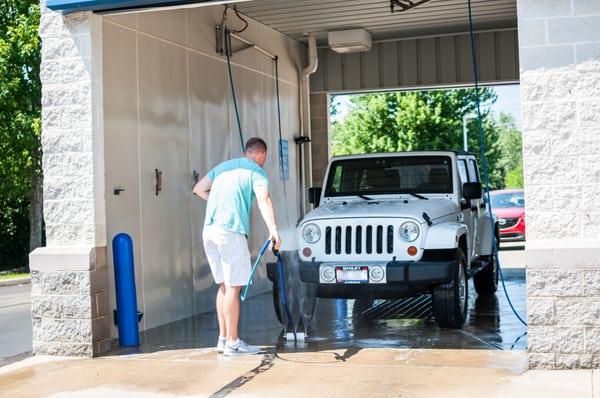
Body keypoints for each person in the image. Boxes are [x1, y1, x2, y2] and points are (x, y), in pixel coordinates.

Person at [193, 137, 281, 356]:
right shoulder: (257, 173)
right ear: (262, 155)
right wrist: (274, 230)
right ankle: (233, 343)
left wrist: (217, 201)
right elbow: (264, 200)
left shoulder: (223, 167)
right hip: (230, 232)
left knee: (223, 286)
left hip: (209, 231)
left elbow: (198, 189)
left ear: (245, 152)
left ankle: (223, 339)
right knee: (234, 288)